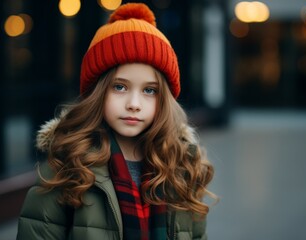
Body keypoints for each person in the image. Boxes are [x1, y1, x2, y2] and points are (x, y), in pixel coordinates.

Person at [17, 2, 215, 240]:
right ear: (98, 93)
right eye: (120, 87)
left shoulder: (181, 165)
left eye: (149, 90)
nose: (134, 103)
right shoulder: (67, 164)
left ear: (164, 99)